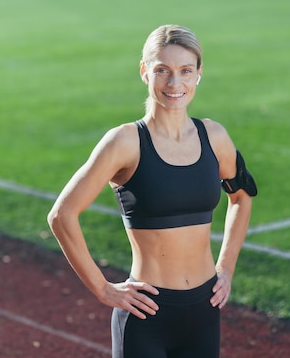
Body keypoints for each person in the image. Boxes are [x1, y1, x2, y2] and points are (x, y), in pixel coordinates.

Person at [47, 24, 257, 358]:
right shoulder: (125, 142)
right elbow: (62, 215)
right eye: (162, 71)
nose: (175, 84)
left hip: (204, 310)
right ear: (145, 72)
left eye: (185, 71)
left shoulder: (214, 137)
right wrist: (103, 288)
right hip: (147, 314)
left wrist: (226, 268)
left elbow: (241, 198)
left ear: (199, 74)